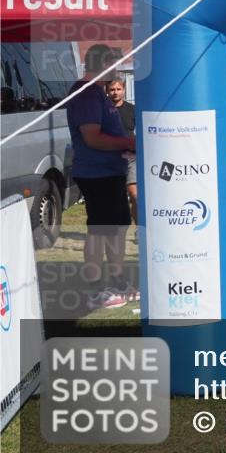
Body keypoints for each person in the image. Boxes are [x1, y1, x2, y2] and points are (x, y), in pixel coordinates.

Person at [66, 45, 137, 310]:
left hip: (111, 171)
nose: (117, 70)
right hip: (96, 174)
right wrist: (128, 142)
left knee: (117, 228)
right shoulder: (86, 94)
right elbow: (92, 137)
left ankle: (117, 281)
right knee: (99, 230)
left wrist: (125, 146)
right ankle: (95, 290)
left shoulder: (98, 92)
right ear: (103, 63)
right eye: (114, 64)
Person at [105, 78, 137, 224]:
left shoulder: (132, 109)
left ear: (124, 90)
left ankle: (139, 229)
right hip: (110, 159)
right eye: (112, 90)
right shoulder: (102, 110)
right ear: (107, 91)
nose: (115, 92)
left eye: (118, 89)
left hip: (131, 158)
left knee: (134, 195)